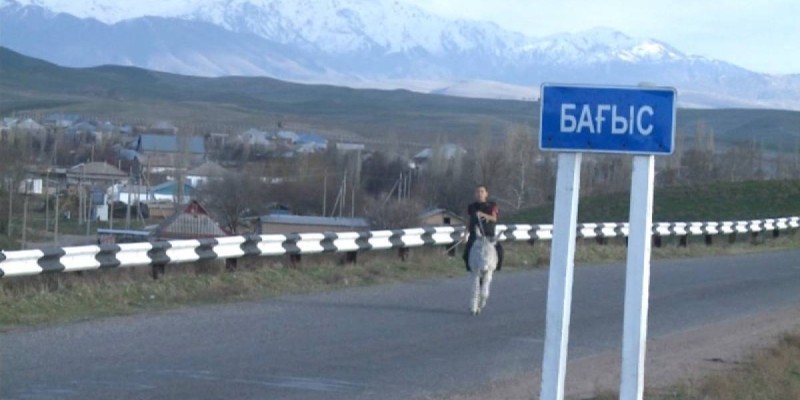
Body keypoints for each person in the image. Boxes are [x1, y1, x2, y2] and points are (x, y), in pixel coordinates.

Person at [463, 184, 504, 272]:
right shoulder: (472, 207)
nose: (480, 194)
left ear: (486, 194)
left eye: (482, 191)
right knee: (466, 253)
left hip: (489, 235)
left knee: (500, 251)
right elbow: (469, 221)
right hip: (475, 236)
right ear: (475, 194)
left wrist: (483, 215)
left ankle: (496, 267)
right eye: (477, 192)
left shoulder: (492, 205)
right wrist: (465, 235)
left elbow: (494, 218)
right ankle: (471, 269)